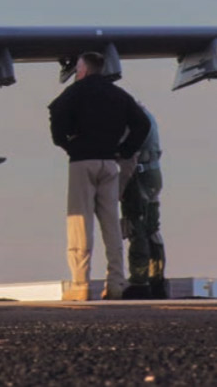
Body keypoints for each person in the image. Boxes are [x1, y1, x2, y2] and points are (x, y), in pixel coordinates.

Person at [48, 51, 151, 301]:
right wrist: (124, 150)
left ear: (82, 70)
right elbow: (143, 124)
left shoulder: (74, 92)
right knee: (111, 224)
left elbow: (56, 113)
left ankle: (80, 284)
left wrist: (67, 144)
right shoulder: (119, 94)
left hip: (82, 162)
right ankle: (116, 282)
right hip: (110, 163)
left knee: (80, 224)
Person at [119, 106, 168, 299]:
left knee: (136, 227)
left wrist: (120, 188)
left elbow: (128, 157)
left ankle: (139, 281)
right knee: (152, 228)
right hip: (153, 174)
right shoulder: (147, 114)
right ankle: (157, 280)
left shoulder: (129, 117)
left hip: (137, 175)